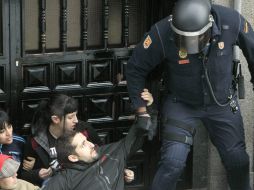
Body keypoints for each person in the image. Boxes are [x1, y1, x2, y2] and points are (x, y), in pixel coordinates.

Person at [126, 0, 254, 190]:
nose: (191, 44)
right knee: (172, 164)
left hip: (222, 104)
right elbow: (135, 67)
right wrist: (141, 110)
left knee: (238, 162)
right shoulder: (162, 31)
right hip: (181, 105)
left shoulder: (231, 21)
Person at [42, 89, 155, 190]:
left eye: (86, 140)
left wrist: (147, 107)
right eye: (83, 145)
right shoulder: (64, 179)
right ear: (73, 157)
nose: (91, 144)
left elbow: (141, 129)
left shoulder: (106, 151)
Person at [20, 94, 137, 187]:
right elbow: (22, 175)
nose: (76, 120)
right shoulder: (36, 141)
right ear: (55, 119)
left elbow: (105, 155)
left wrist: (122, 170)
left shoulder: (84, 130)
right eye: (70, 117)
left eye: (76, 115)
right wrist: (37, 174)